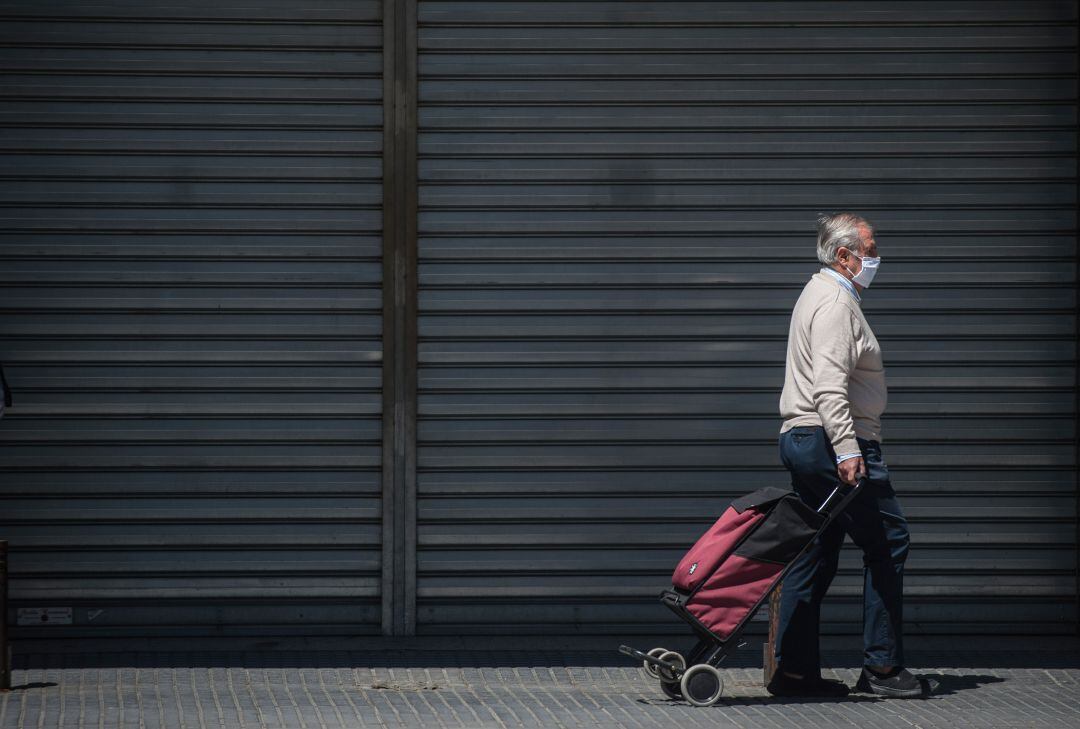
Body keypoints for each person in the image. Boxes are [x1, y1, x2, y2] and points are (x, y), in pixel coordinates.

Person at [766, 212, 927, 698]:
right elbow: (830, 387)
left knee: (816, 550)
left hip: (806, 440)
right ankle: (882, 669)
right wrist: (848, 448)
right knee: (888, 540)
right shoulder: (836, 302)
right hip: (833, 441)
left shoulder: (817, 292)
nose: (875, 257)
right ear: (844, 255)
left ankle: (794, 671)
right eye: (870, 248)